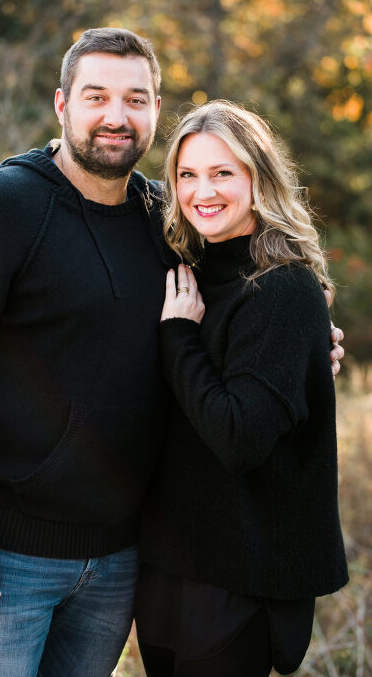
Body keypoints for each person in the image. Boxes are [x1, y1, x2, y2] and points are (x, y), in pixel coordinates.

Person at [0, 29, 343, 677]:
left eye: (135, 99)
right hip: (6, 558)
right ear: (62, 104)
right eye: (96, 96)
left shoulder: (165, 220)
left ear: (156, 109)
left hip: (121, 561)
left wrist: (308, 346)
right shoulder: (1, 207)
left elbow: (238, 311)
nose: (116, 116)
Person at [136, 100, 349, 677]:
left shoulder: (284, 289)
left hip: (240, 578)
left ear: (259, 178)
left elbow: (239, 438)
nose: (202, 191)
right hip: (168, 565)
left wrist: (180, 337)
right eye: (187, 174)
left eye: (222, 172)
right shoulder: (189, 270)